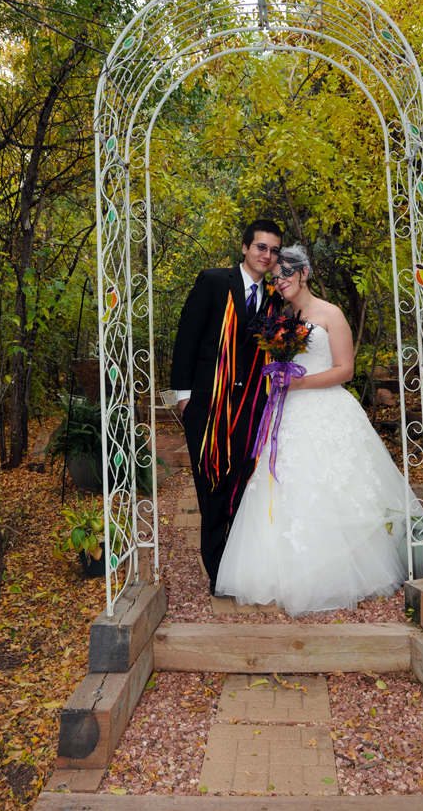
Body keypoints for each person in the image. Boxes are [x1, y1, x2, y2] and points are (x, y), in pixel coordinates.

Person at [216, 244, 414, 617]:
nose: (280, 281)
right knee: (283, 483)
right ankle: (279, 571)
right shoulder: (281, 317)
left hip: (326, 409)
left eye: (286, 274)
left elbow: (346, 370)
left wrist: (298, 384)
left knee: (333, 482)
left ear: (304, 273)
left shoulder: (330, 313)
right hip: (287, 414)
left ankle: (342, 573)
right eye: (275, 277)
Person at [171, 220, 283, 596]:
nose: (266, 255)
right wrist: (184, 398)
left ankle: (236, 565)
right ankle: (218, 571)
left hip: (250, 408)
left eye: (272, 250)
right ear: (245, 248)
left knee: (239, 482)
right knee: (212, 484)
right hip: (206, 405)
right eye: (260, 247)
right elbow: (187, 338)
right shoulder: (214, 282)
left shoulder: (274, 298)